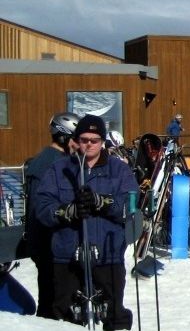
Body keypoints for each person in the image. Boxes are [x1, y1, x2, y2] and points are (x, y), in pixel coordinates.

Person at [33, 115, 136, 329]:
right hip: (67, 256)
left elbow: (131, 206)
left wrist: (103, 202)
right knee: (64, 316)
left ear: (103, 142)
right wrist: (67, 211)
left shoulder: (119, 170)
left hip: (108, 255)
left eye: (94, 140)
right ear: (76, 139)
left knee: (115, 314)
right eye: (84, 139)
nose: (89, 144)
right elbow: (42, 208)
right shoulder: (58, 169)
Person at [22, 112, 80, 319]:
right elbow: (42, 209)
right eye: (76, 139)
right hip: (49, 244)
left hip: (54, 243)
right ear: (64, 137)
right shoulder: (49, 164)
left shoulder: (58, 160)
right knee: (54, 303)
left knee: (55, 299)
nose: (79, 145)